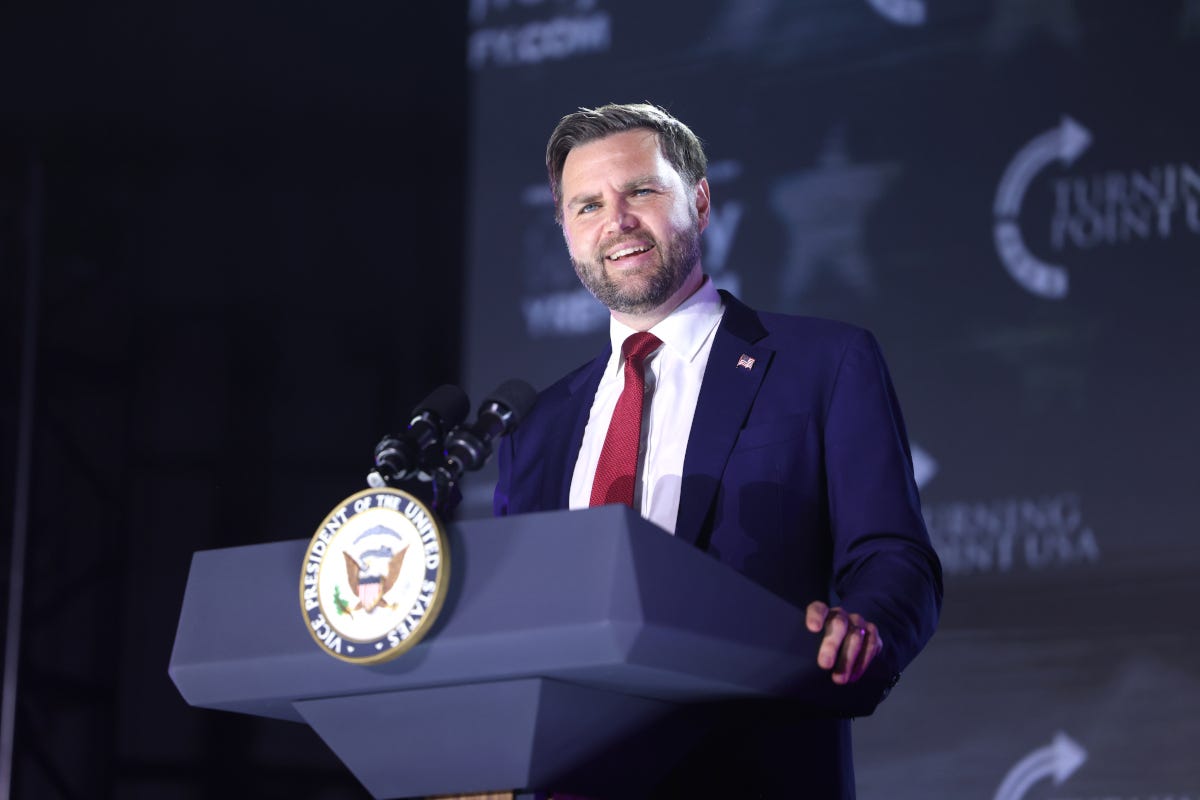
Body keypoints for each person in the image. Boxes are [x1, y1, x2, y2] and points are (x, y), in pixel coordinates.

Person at [493, 103, 943, 798]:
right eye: (587, 206)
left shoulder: (823, 363)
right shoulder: (539, 425)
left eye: (640, 191)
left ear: (700, 202)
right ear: (567, 234)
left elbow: (894, 555)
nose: (616, 220)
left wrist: (866, 628)